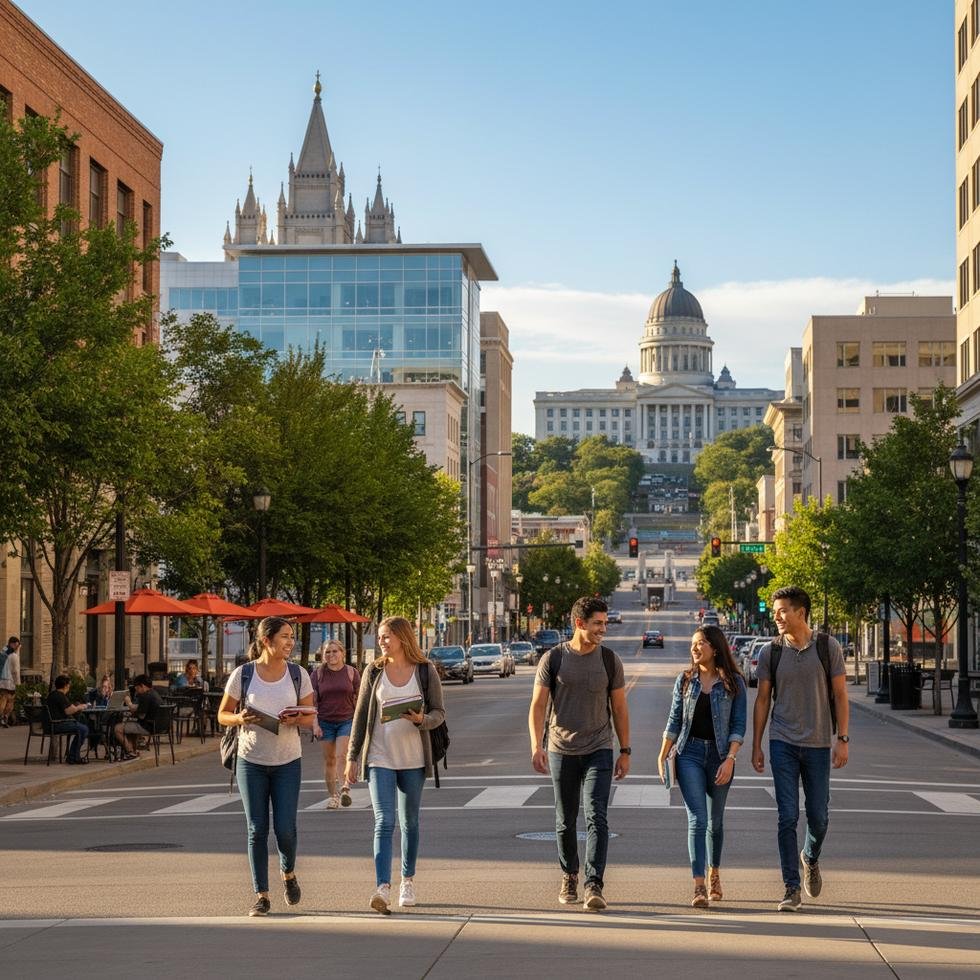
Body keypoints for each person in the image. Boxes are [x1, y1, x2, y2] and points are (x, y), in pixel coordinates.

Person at [527, 596, 630, 912]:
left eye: (605, 623)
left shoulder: (609, 660)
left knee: (597, 815)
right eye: (598, 623)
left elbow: (619, 708)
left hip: (599, 747)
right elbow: (538, 706)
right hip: (561, 749)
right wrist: (536, 745)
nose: (603, 629)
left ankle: (593, 883)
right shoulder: (554, 659)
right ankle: (570, 875)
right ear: (579, 623)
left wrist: (625, 750)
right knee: (565, 818)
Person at [751, 586, 849, 912]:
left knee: (819, 817)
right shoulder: (771, 651)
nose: (776, 616)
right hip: (782, 742)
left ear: (800, 612)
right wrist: (757, 745)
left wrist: (843, 739)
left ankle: (810, 856)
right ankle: (791, 887)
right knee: (787, 816)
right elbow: (762, 700)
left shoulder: (827, 647)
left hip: (818, 743)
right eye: (775, 611)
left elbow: (840, 695)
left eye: (782, 611)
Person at [345, 616, 445, 915]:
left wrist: (422, 719)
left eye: (387, 635)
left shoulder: (425, 671)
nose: (381, 641)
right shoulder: (374, 671)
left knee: (409, 822)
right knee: (384, 821)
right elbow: (361, 716)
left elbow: (439, 713)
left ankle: (407, 881)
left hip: (414, 759)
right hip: (380, 757)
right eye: (380, 636)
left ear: (403, 637)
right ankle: (382, 887)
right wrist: (351, 757)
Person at [218, 617, 315, 917]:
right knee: (256, 829)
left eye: (291, 637)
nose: (290, 642)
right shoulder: (243, 674)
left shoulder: (298, 674)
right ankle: (262, 895)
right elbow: (223, 714)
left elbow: (310, 716)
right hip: (251, 761)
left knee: (285, 829)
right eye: (285, 636)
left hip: (288, 761)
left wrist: (295, 719)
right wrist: (239, 718)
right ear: (266, 641)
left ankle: (288, 873)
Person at [658, 626, 747, 907]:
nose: (695, 648)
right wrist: (663, 753)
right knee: (697, 819)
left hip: (721, 756)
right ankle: (698, 886)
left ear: (715, 648)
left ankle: (714, 874)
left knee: (715, 822)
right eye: (693, 644)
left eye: (700, 644)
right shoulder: (685, 681)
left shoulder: (734, 683)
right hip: (689, 754)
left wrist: (730, 759)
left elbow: (738, 725)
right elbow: (674, 719)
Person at [311, 639, 360, 808]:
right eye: (327, 652)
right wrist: (315, 725)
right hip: (325, 722)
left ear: (342, 653)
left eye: (334, 651)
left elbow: (359, 699)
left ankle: (344, 788)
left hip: (346, 720)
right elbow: (312, 703)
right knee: (330, 761)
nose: (331, 654)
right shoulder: (317, 675)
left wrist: (360, 722)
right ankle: (333, 796)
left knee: (341, 755)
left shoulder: (351, 673)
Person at [113, 674, 163, 760]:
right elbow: (144, 708)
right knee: (131, 725)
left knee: (117, 728)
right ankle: (134, 750)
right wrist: (135, 708)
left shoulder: (145, 696)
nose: (136, 691)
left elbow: (141, 715)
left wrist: (129, 703)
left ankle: (130, 752)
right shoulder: (154, 693)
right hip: (160, 726)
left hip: (148, 727)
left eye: (137, 688)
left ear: (142, 686)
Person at [47, 674, 90, 764]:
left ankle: (73, 756)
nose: (69, 687)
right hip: (58, 724)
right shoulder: (60, 696)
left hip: (51, 724)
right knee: (83, 729)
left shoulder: (52, 695)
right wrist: (81, 707)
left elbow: (68, 707)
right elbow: (69, 711)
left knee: (80, 726)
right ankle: (73, 757)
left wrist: (76, 707)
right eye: (69, 684)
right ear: (66, 685)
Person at [0, 636, 21, 727]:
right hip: (10, 682)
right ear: (12, 644)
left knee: (3, 699)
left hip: (1, 681)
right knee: (10, 701)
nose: (17, 647)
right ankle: (4, 717)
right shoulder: (14, 656)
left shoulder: (3, 652)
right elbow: (16, 671)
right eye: (17, 645)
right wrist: (18, 683)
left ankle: (2, 718)